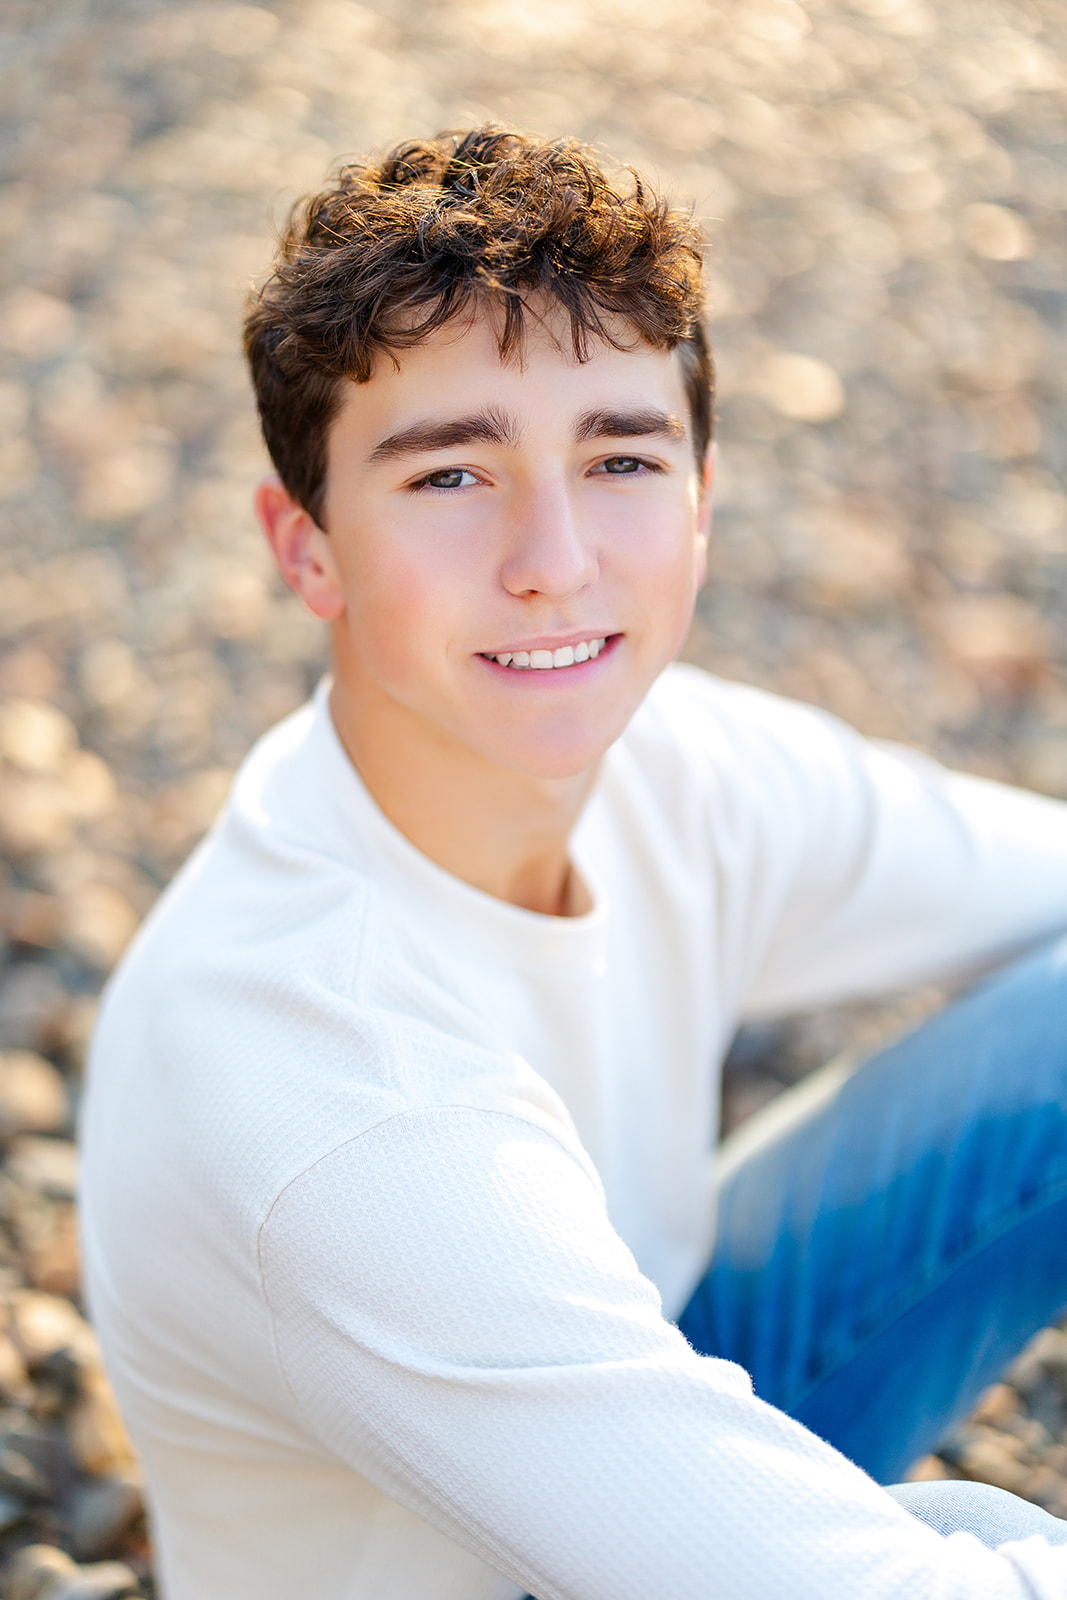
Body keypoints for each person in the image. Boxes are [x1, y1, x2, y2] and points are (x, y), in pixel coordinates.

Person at [79, 126, 1067, 1600]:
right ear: (308, 552)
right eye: (450, 478)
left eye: (617, 457)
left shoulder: (685, 767)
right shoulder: (338, 1095)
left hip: (638, 1384)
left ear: (701, 502)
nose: (554, 558)